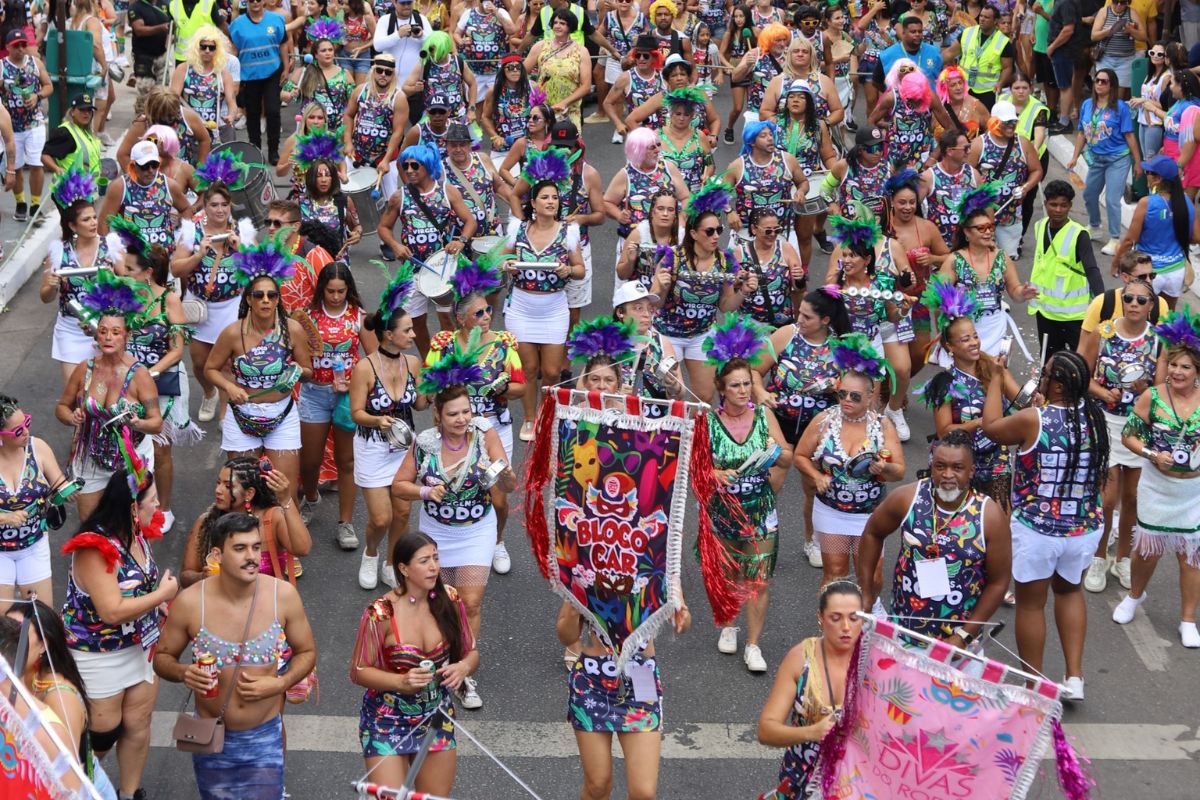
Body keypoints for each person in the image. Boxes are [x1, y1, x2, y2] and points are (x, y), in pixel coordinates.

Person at [154, 512, 317, 800]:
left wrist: (280, 683)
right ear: (217, 554)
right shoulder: (191, 603)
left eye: (256, 547)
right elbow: (163, 658)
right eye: (240, 549)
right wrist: (183, 673)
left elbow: (307, 652)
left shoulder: (284, 596)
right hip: (211, 737)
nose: (251, 556)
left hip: (264, 737)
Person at [983, 349, 1108, 700]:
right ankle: (1074, 679)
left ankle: (1034, 685)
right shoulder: (1095, 418)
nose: (1040, 374)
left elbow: (992, 428)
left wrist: (995, 378)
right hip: (1084, 528)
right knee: (1069, 592)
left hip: (1038, 530)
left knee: (1030, 605)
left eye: (1046, 372)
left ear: (1055, 384)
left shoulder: (1033, 420)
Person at [392, 361, 518, 709]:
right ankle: (438, 660)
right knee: (440, 602)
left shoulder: (484, 433)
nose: (462, 419)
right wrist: (424, 493)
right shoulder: (424, 443)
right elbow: (399, 485)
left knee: (471, 601)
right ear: (437, 416)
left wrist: (502, 476)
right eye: (453, 414)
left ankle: (463, 670)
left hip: (477, 529)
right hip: (436, 534)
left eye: (466, 411)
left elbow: (509, 482)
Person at [60, 466, 178, 800]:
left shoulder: (135, 532)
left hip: (141, 645)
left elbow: (137, 585)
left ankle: (129, 794)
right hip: (98, 655)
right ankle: (74, 791)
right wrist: (161, 596)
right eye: (152, 500)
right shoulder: (94, 547)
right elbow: (111, 609)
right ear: (131, 507)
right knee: (101, 735)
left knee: (138, 723)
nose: (158, 506)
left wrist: (154, 606)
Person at [350, 532, 479, 793]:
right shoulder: (381, 612)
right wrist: (400, 681)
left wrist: (463, 667)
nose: (434, 566)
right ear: (403, 568)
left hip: (435, 717)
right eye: (424, 561)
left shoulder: (450, 599)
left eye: (436, 558)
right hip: (386, 721)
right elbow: (358, 671)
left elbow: (471, 652)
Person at [858, 430, 1012, 646]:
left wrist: (965, 635)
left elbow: (999, 582)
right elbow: (873, 533)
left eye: (957, 467)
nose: (947, 474)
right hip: (901, 634)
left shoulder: (990, 516)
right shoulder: (907, 498)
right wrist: (866, 592)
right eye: (940, 466)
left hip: (956, 645)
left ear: (971, 471)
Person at [703, 315, 793, 672]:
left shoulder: (764, 417)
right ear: (722, 389)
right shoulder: (707, 423)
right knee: (727, 571)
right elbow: (695, 469)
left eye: (746, 384)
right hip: (723, 509)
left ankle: (753, 645)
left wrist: (772, 453)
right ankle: (728, 622)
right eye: (735, 385)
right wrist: (714, 472)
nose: (743, 390)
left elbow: (787, 456)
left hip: (759, 508)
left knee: (757, 576)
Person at [427, 252, 525, 574]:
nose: (486, 316)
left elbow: (522, 387)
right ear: (460, 318)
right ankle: (459, 543)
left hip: (494, 427)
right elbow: (426, 386)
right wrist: (443, 379)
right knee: (456, 487)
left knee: (497, 495)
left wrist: (503, 390)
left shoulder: (503, 344)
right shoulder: (443, 345)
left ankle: (497, 541)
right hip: (455, 430)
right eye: (478, 312)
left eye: (488, 310)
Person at [203, 233, 314, 503]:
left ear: (278, 299)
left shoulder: (293, 330)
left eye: (271, 295)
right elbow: (210, 369)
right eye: (259, 295)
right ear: (249, 299)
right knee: (240, 495)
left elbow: (308, 369)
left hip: (282, 415)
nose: (266, 300)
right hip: (241, 417)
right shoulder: (232, 333)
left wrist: (295, 374)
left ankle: (281, 543)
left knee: (283, 493)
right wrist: (229, 387)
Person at [1115, 315, 1200, 648]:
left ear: (1197, 372)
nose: (1177, 372)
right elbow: (1128, 435)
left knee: (1191, 556)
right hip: (1156, 485)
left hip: (1192, 491)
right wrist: (1151, 454)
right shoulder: (1152, 395)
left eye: (1186, 367)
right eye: (1174, 365)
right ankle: (1135, 596)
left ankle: (1188, 620)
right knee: (1147, 552)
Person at [795, 333, 905, 584]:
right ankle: (829, 622)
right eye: (843, 394)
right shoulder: (824, 421)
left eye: (855, 396)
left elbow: (899, 470)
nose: (847, 401)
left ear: (869, 397)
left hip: (869, 514)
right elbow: (800, 456)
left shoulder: (882, 425)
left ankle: (867, 621)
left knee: (872, 579)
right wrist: (815, 476)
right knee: (834, 575)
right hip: (831, 511)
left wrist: (883, 467)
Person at [109, 222, 198, 534]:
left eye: (130, 269)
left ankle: (165, 507)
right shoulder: (123, 299)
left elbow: (177, 348)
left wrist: (152, 372)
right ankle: (133, 504)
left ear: (147, 272)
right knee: (127, 447)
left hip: (164, 384)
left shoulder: (168, 300)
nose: (125, 273)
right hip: (128, 383)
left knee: (160, 449)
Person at [754, 287, 851, 570]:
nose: (800, 319)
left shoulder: (840, 347)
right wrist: (760, 393)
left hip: (817, 426)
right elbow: (753, 370)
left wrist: (840, 389)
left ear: (825, 320)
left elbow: (856, 393)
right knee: (771, 479)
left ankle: (812, 540)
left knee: (812, 486)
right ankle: (758, 535)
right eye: (800, 313)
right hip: (779, 418)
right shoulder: (787, 334)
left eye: (807, 316)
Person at [54, 271, 164, 521]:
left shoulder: (139, 375)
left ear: (127, 335)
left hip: (131, 459)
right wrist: (72, 417)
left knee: (131, 526)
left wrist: (138, 423)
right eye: (103, 331)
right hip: (91, 457)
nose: (108, 337)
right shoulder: (86, 368)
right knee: (91, 528)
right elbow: (61, 407)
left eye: (115, 332)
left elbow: (156, 422)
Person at [1077, 277, 1156, 593]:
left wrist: (1144, 391)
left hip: (1139, 424)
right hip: (1106, 420)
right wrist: (1104, 393)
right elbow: (1082, 376)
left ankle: (1122, 557)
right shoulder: (1105, 332)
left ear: (1151, 306)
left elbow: (1161, 389)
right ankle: (1098, 556)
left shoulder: (1158, 340)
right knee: (1107, 498)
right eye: (1129, 298)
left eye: (1141, 300)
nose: (1134, 304)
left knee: (1133, 499)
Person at [351, 266, 428, 589]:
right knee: (380, 518)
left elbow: (421, 405)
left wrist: (435, 389)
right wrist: (376, 419)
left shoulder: (413, 363)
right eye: (408, 330)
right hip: (372, 446)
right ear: (388, 335)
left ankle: (392, 561)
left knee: (402, 514)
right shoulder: (365, 368)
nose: (413, 335)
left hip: (404, 446)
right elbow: (356, 413)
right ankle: (371, 553)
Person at [755, 580, 863, 800]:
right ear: (820, 618)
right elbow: (766, 730)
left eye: (854, 618)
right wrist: (811, 733)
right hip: (801, 783)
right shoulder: (801, 658)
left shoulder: (876, 662)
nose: (845, 627)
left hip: (858, 784)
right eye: (836, 618)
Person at [921, 276, 1022, 509]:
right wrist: (982, 423)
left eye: (975, 336)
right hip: (957, 462)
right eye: (965, 339)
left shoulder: (993, 366)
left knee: (998, 517)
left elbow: (1020, 400)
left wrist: (1036, 396)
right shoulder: (944, 382)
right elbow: (944, 431)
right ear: (950, 347)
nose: (974, 342)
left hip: (996, 457)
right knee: (959, 521)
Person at [504, 156, 584, 440]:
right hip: (522, 307)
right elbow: (499, 259)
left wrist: (567, 269)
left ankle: (546, 414)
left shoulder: (568, 231)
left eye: (555, 198)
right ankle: (529, 418)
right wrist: (505, 265)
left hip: (553, 308)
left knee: (551, 371)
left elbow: (580, 269)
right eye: (545, 197)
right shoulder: (517, 229)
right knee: (529, 368)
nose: (551, 202)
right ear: (533, 203)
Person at [652, 179, 752, 403]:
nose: (716, 235)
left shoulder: (725, 261)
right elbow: (654, 304)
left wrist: (743, 292)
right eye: (710, 231)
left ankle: (697, 436)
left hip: (701, 335)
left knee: (704, 397)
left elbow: (725, 306)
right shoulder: (672, 258)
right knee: (673, 394)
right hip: (668, 334)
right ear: (694, 234)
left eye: (719, 230)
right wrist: (662, 286)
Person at [7, 599, 119, 796]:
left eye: (18, 636)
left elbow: (65, 774)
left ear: (43, 645)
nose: (8, 642)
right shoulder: (22, 676)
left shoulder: (60, 697)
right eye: (5, 631)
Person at [298, 262, 375, 542]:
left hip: (348, 397)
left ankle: (346, 523)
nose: (335, 297)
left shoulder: (358, 316)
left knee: (346, 462)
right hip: (314, 393)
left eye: (341, 291)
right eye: (330, 291)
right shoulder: (306, 316)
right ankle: (311, 496)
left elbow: (374, 358)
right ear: (321, 289)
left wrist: (357, 383)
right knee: (309, 461)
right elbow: (296, 355)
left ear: (349, 290)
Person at [377, 143, 475, 356]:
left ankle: (451, 361)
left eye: (415, 166)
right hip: (413, 271)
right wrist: (395, 246)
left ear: (428, 166)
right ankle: (428, 361)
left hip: (444, 268)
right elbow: (383, 227)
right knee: (414, 322)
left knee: (448, 319)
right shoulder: (399, 197)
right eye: (406, 166)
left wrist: (461, 241)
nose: (409, 170)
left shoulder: (447, 192)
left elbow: (469, 221)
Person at [827, 204, 915, 440]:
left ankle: (874, 434)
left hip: (874, 341)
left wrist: (903, 308)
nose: (846, 259)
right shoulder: (838, 280)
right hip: (841, 345)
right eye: (844, 256)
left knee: (871, 399)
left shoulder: (881, 280)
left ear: (867, 260)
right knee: (840, 398)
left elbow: (891, 316)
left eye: (851, 256)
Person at [178, 456, 311, 587]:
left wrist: (286, 500)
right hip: (219, 605)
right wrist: (202, 577)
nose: (218, 490)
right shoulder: (206, 522)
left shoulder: (271, 518)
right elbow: (185, 576)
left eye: (228, 485)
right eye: (218, 483)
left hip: (264, 604)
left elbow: (302, 548)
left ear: (249, 494)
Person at [41, 167, 120, 385]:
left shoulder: (110, 247)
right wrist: (51, 284)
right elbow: (45, 297)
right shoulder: (59, 251)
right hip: (70, 328)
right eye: (86, 220)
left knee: (102, 393)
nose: (94, 223)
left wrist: (115, 281)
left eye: (94, 217)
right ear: (72, 225)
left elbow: (129, 288)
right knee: (75, 393)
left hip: (105, 328)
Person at [938, 184, 1038, 356]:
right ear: (967, 233)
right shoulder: (954, 260)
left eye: (991, 227)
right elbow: (938, 300)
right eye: (981, 228)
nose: (988, 232)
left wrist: (1023, 292)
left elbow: (1014, 290)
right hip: (964, 329)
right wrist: (945, 331)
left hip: (994, 325)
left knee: (994, 376)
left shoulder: (1002, 257)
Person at [0, 396, 67, 608]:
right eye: (18, 430)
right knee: (3, 623)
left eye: (26, 423)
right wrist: (4, 517)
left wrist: (67, 490)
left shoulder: (37, 448)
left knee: (41, 617)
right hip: (1, 551)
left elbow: (58, 482)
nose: (26, 431)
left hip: (34, 544)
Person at [1067, 67, 1143, 256]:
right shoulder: (1086, 105)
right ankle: (1094, 226)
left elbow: (1130, 136)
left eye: (1104, 81)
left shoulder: (1120, 107)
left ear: (1112, 85)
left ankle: (1116, 239)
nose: (1099, 84)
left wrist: (1138, 162)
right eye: (1097, 80)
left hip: (1118, 159)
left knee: (1111, 199)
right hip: (1096, 160)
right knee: (1089, 194)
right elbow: (1082, 133)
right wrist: (1075, 157)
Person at [1027, 179, 1105, 356]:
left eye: (1063, 205)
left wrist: (1102, 302)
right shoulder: (1039, 227)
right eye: (1053, 205)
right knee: (1049, 362)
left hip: (1073, 317)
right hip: (1044, 312)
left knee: (1079, 365)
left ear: (1070, 206)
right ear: (1045, 204)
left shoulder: (1079, 234)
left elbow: (1092, 269)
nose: (1058, 210)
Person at [1111, 155, 1198, 310]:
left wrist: (1116, 263)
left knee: (1137, 318)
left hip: (1147, 272)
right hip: (1175, 272)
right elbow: (1195, 237)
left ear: (1158, 179)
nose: (1147, 176)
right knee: (1165, 320)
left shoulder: (1147, 203)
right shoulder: (1187, 202)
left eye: (1148, 173)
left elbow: (1129, 240)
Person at [885, 169, 951, 370]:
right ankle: (891, 390)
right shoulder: (881, 227)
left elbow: (950, 258)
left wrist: (932, 258)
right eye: (902, 202)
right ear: (892, 203)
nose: (907, 207)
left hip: (918, 300)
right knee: (888, 352)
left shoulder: (927, 227)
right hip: (887, 301)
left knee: (920, 353)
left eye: (912, 202)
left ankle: (897, 385)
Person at [967, 100, 1043, 257]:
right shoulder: (978, 145)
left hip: (1011, 215)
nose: (1011, 125)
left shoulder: (1023, 144)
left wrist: (1025, 187)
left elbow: (1036, 170)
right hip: (983, 216)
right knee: (982, 258)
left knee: (1007, 259)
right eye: (1006, 122)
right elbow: (966, 175)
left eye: (1013, 121)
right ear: (994, 122)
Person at [604, 127, 689, 255]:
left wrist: (682, 218)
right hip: (636, 243)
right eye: (652, 147)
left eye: (658, 145)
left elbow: (685, 197)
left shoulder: (668, 167)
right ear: (639, 151)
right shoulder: (626, 175)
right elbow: (606, 202)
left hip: (669, 241)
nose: (658, 150)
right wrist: (618, 215)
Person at [97, 140, 191, 255]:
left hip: (163, 257)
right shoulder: (119, 187)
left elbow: (186, 209)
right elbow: (103, 223)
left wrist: (183, 238)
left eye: (154, 165)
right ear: (133, 165)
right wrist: (112, 254)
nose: (150, 170)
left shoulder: (169, 185)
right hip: (134, 260)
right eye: (145, 166)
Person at [726, 120, 807, 247]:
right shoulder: (737, 166)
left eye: (770, 134)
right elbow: (718, 194)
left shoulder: (787, 159)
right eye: (763, 136)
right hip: (747, 232)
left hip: (782, 230)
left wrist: (801, 191)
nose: (770, 138)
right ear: (752, 142)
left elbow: (802, 182)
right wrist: (729, 212)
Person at [229, 0, 290, 162]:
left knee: (273, 111)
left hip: (272, 72)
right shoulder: (237, 24)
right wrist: (230, 74)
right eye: (251, 0)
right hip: (249, 75)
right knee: (253, 114)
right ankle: (255, 150)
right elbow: (233, 50)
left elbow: (283, 44)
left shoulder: (276, 20)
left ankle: (273, 151)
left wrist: (286, 67)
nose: (255, 2)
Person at [1, 29, 51, 221]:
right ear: (7, 47)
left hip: (34, 123)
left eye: (23, 45)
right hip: (11, 127)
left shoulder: (35, 64)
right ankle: (21, 203)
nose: (21, 49)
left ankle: (36, 205)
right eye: (16, 46)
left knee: (36, 163)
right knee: (17, 167)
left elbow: (48, 86)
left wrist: (37, 95)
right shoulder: (2, 67)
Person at [345, 53, 407, 200]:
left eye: (388, 72)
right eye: (379, 70)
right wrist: (347, 142)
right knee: (352, 199)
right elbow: (348, 115)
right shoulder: (360, 91)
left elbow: (398, 132)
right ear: (373, 71)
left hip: (385, 158)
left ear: (393, 75)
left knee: (390, 201)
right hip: (358, 155)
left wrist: (386, 159)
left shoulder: (398, 98)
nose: (383, 75)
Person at [733, 208, 806, 329]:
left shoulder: (786, 249)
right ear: (753, 229)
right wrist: (738, 281)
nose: (773, 234)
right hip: (748, 326)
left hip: (781, 324)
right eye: (768, 231)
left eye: (777, 230)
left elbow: (799, 289)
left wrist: (800, 278)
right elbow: (729, 290)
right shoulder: (739, 253)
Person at [1001, 72, 1052, 239]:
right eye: (1017, 88)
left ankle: (1019, 237)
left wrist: (1033, 151)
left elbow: (1039, 134)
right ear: (1010, 89)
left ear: (1030, 89)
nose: (1021, 91)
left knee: (1026, 197)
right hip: (1007, 157)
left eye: (1024, 88)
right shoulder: (1002, 102)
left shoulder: (1039, 109)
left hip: (1032, 158)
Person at [444, 123, 513, 241]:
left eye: (462, 145)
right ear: (447, 146)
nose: (458, 149)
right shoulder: (441, 169)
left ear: (470, 145)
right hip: (459, 237)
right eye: (454, 145)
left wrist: (517, 204)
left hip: (492, 231)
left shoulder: (483, 159)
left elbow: (500, 187)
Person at [526, 9, 592, 130]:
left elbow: (586, 86)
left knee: (568, 147)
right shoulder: (540, 46)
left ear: (570, 26)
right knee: (543, 146)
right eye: (555, 22)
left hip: (569, 110)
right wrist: (533, 86)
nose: (557, 26)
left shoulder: (581, 51)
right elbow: (522, 73)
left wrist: (564, 103)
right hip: (543, 110)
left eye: (562, 23)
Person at [169, 24, 237, 140]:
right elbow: (172, 99)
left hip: (215, 130)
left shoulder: (223, 74)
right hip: (188, 129)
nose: (207, 50)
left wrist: (231, 116)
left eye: (211, 48)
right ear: (196, 47)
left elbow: (232, 102)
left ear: (217, 50)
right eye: (203, 46)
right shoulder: (183, 69)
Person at [919, 131, 983, 251]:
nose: (969, 151)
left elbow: (985, 207)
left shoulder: (973, 174)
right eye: (965, 148)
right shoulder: (929, 176)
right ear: (950, 151)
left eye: (969, 147)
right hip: (939, 247)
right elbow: (914, 207)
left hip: (968, 246)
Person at [284, 21, 356, 123]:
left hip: (337, 127)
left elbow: (353, 101)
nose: (328, 53)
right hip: (311, 126)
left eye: (330, 50)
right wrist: (291, 94)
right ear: (316, 54)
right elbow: (284, 96)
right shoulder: (304, 72)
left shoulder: (345, 73)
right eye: (323, 51)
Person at [945, 3, 1014, 108]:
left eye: (986, 17)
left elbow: (1007, 67)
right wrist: (934, 63)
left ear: (995, 21)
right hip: (964, 87)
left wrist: (1000, 83)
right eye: (981, 16)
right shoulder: (967, 33)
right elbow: (950, 52)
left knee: (984, 122)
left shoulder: (1003, 42)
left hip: (987, 91)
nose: (982, 19)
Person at [602, 34, 664, 141]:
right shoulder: (626, 78)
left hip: (661, 136)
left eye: (646, 56)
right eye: (638, 55)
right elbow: (607, 103)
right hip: (637, 136)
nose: (641, 59)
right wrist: (618, 124)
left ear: (654, 57)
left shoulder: (663, 76)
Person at [453, 0, 516, 107]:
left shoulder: (501, 12)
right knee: (476, 104)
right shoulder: (469, 13)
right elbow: (456, 33)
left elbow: (512, 30)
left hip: (496, 70)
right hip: (474, 70)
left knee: (497, 104)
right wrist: (461, 41)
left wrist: (495, 12)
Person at [729, 22, 789, 123]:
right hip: (756, 111)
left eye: (784, 40)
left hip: (782, 114)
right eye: (778, 40)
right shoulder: (755, 54)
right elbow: (735, 77)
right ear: (768, 41)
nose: (782, 44)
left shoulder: (791, 55)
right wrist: (746, 65)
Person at [481, 56, 534, 166]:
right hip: (503, 147)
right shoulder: (494, 91)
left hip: (529, 146)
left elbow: (541, 112)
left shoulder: (532, 87)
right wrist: (495, 136)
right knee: (502, 180)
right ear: (503, 70)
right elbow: (485, 117)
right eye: (510, 67)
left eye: (518, 67)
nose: (515, 70)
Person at [1091, 0, 1145, 99]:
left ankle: (1114, 113)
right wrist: (1108, 31)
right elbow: (1093, 36)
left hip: (1125, 60)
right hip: (1106, 58)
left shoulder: (1132, 12)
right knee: (1102, 90)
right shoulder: (1104, 12)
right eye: (1116, 2)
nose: (1119, 5)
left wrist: (1130, 30)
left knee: (1118, 95)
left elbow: (1143, 36)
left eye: (1123, 2)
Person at [41, 93, 103, 180]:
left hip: (88, 189)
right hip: (70, 190)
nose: (86, 114)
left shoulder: (86, 131)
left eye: (89, 110)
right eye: (82, 110)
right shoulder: (65, 133)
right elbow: (45, 155)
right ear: (72, 112)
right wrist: (57, 169)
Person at [873, 12, 942, 89]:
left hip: (929, 99)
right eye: (913, 32)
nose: (917, 34)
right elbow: (876, 82)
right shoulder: (886, 55)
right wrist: (894, 94)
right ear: (903, 33)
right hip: (901, 99)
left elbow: (942, 79)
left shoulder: (934, 52)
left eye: (920, 31)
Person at [373, 0, 432, 87]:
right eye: (403, 3)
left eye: (409, 3)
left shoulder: (421, 19)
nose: (406, 6)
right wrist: (398, 35)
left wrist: (421, 35)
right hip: (390, 79)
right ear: (394, 3)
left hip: (415, 81)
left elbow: (433, 45)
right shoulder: (385, 20)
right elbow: (377, 46)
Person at [720, 5, 755, 142]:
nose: (739, 19)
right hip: (737, 69)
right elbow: (721, 54)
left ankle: (753, 134)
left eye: (742, 16)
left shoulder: (754, 31)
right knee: (738, 107)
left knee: (753, 106)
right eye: (736, 16)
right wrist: (728, 66)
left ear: (747, 17)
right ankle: (729, 127)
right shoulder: (729, 33)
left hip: (752, 69)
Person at [129, 0, 173, 106]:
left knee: (162, 92)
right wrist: (161, 28)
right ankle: (141, 119)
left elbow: (173, 25)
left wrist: (169, 42)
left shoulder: (167, 5)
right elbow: (139, 30)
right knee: (144, 94)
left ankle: (158, 119)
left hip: (162, 56)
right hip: (143, 57)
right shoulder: (135, 7)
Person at [932, 65, 990, 143]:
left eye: (960, 83)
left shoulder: (976, 105)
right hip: (943, 154)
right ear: (944, 88)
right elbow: (930, 132)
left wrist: (979, 145)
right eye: (953, 85)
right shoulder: (938, 106)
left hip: (970, 153)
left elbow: (990, 129)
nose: (958, 87)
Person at [339, 0, 377, 81]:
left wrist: (361, 48)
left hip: (363, 57)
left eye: (347, 4)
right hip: (345, 56)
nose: (343, 7)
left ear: (355, 4)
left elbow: (376, 38)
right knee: (348, 87)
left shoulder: (366, 17)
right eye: (342, 4)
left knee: (361, 88)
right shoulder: (341, 17)